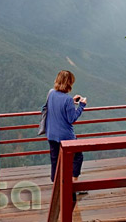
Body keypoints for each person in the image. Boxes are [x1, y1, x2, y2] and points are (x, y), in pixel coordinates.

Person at [46, 70, 87, 198]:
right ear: (69, 83)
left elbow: (55, 107)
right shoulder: (67, 100)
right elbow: (71, 118)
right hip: (66, 138)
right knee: (77, 158)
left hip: (51, 134)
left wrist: (72, 102)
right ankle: (74, 185)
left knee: (55, 161)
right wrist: (81, 105)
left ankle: (56, 187)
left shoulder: (51, 93)